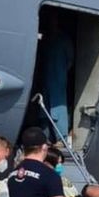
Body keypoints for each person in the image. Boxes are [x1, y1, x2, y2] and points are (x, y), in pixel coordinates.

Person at [41, 11, 74, 145]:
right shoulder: (47, 39)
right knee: (44, 106)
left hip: (58, 78)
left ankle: (61, 137)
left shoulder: (63, 39)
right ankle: (46, 136)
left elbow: (70, 59)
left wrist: (62, 72)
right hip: (46, 77)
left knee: (58, 107)